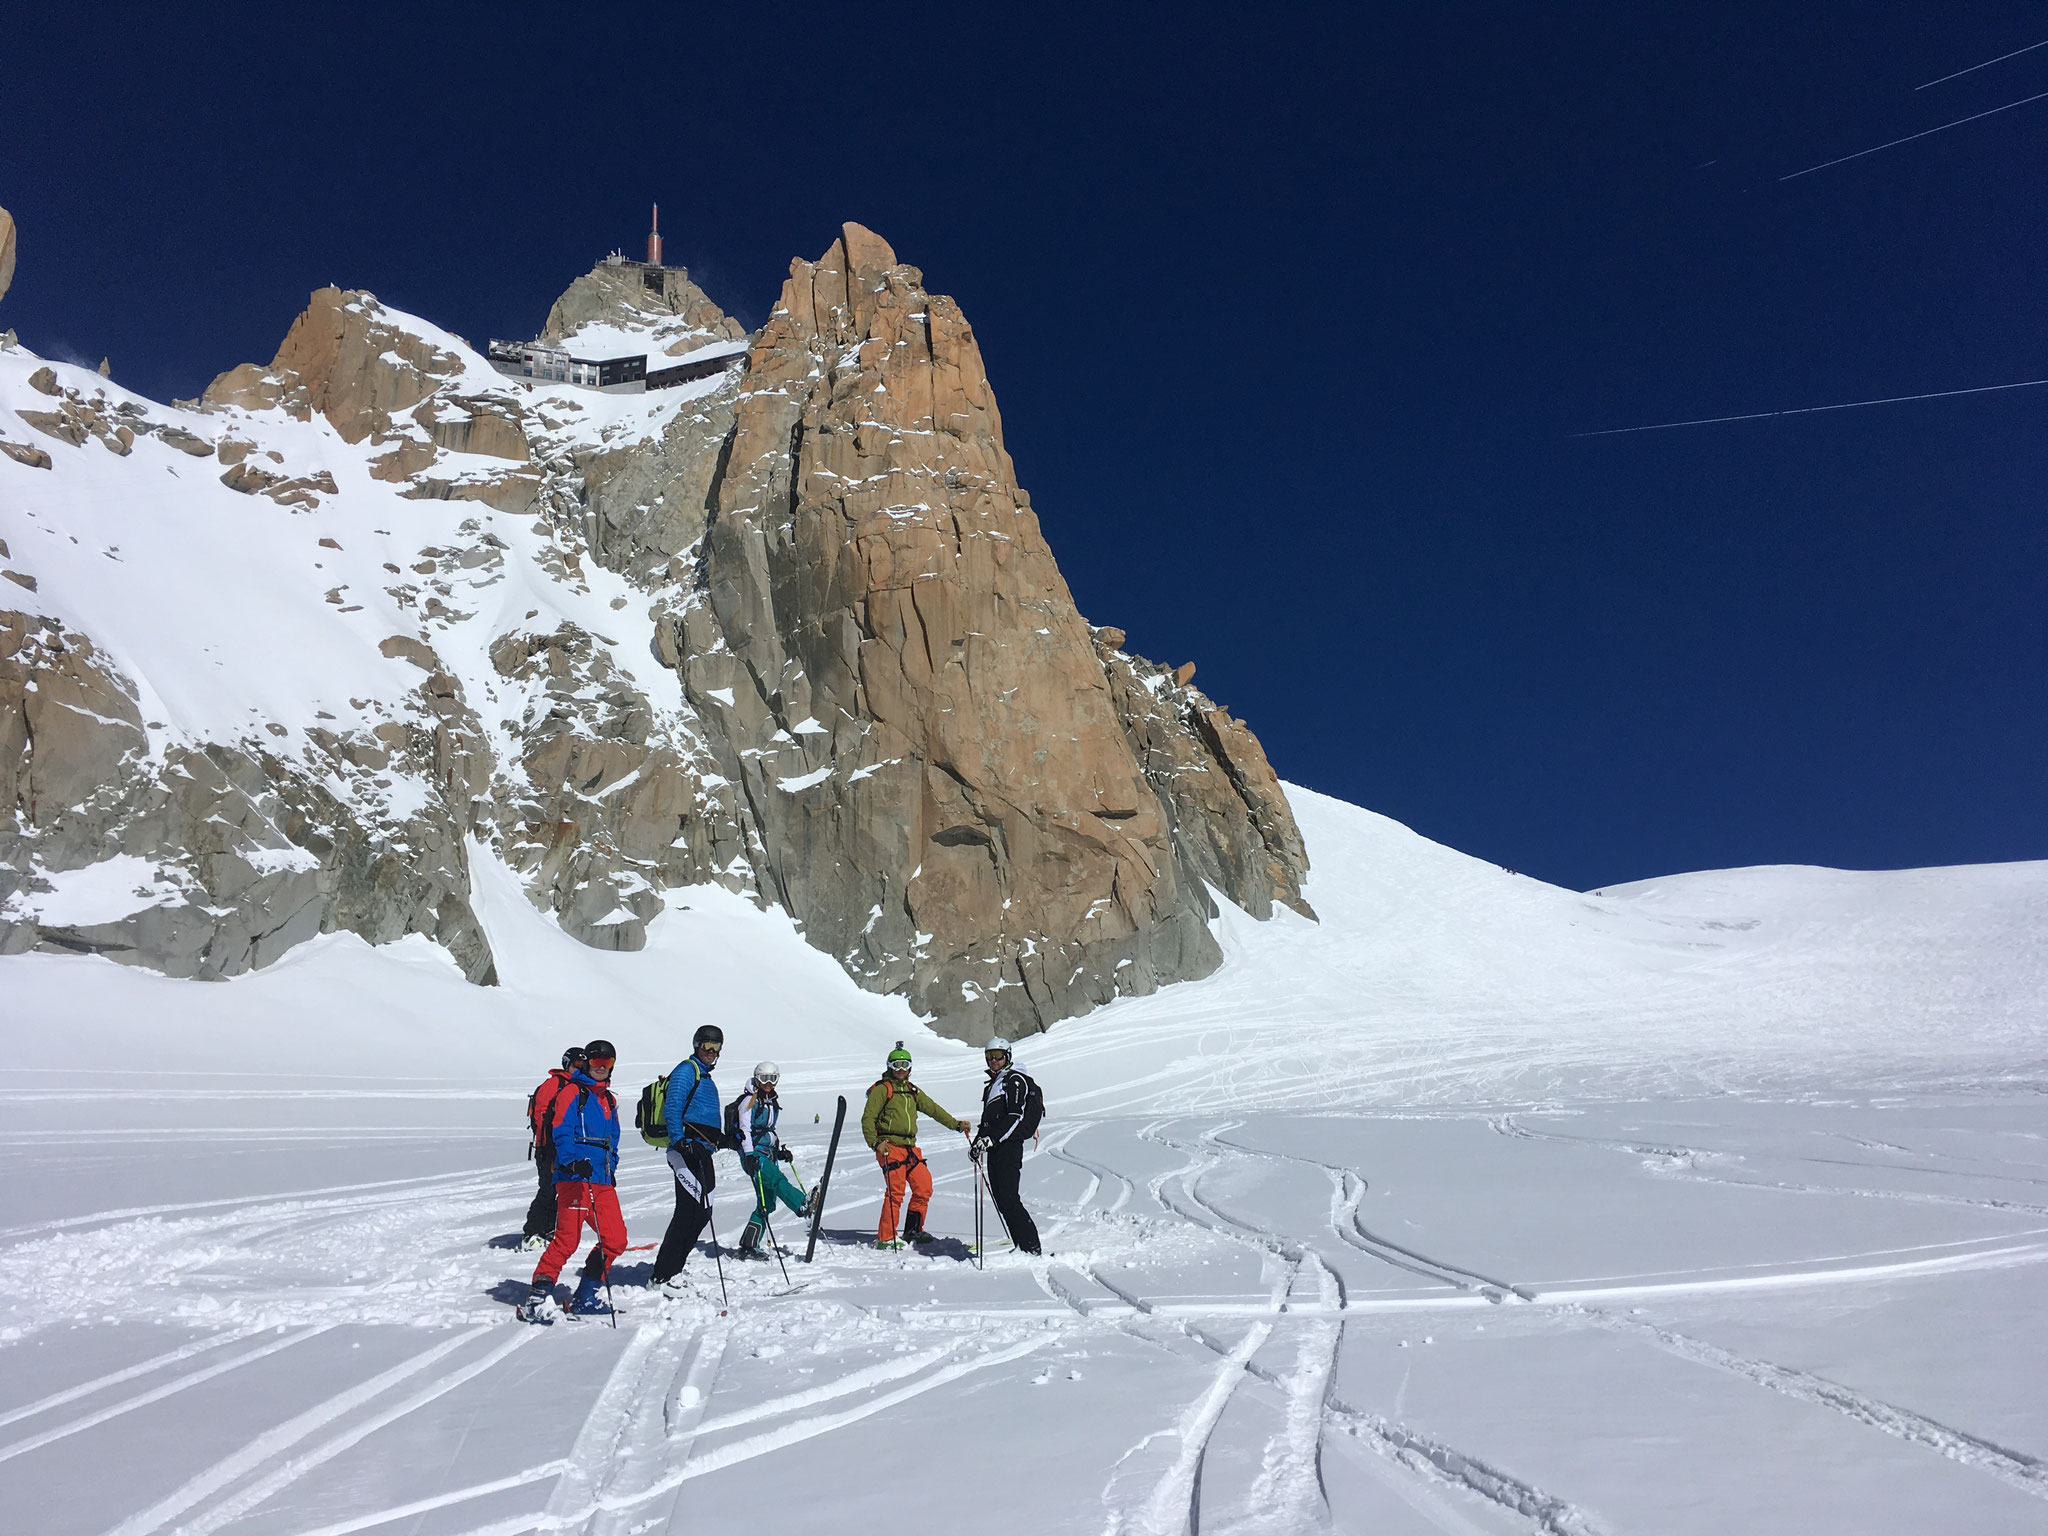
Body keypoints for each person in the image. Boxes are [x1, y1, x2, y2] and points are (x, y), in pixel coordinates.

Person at [517, 1039, 625, 1322]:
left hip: (601, 1180)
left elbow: (613, 1138)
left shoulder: (609, 1100)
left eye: (608, 1063)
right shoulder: (572, 1093)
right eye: (596, 1062)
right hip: (573, 1178)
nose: (601, 1068)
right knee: (567, 1239)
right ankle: (537, 1295)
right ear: (586, 1063)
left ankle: (586, 1295)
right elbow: (561, 1131)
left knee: (615, 1240)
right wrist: (572, 1161)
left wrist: (611, 1164)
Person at [861, 1041, 968, 1249]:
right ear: (889, 1067)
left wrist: (955, 1124)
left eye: (905, 1064)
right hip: (889, 1146)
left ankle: (913, 1230)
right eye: (896, 1065)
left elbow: (933, 1109)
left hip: (910, 1148)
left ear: (910, 1067)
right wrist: (875, 1143)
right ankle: (886, 1237)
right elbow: (868, 1118)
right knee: (896, 1192)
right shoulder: (883, 1090)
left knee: (924, 1187)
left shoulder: (912, 1091)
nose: (901, 1069)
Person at [649, 1024, 725, 1294]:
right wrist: (680, 1141)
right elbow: (673, 1105)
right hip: (685, 1151)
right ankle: (662, 1275)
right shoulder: (687, 1070)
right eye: (706, 1046)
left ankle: (674, 1269)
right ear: (696, 1045)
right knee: (687, 1212)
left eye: (716, 1047)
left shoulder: (706, 1077)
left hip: (702, 1150)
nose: (710, 1052)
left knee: (703, 1212)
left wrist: (724, 1140)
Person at [970, 1035, 1043, 1256]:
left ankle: (1032, 1248)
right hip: (995, 1147)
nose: (993, 1061)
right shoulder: (995, 1083)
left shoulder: (1015, 1080)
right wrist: (978, 1143)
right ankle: (1022, 1247)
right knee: (1002, 1200)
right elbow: (988, 1122)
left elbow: (1015, 1115)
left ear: (1007, 1056)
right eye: (989, 1057)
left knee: (1010, 1198)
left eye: (998, 1056)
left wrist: (993, 1139)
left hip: (1009, 1146)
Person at [732, 1061, 809, 1259]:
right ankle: (801, 1204)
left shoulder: (770, 1100)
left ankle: (748, 1245)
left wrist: (779, 1152)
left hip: (767, 1153)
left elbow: (768, 1131)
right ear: (756, 1078)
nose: (768, 1083)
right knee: (777, 1180)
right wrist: (749, 1156)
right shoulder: (749, 1101)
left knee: (767, 1203)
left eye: (773, 1079)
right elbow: (744, 1130)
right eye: (764, 1078)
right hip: (754, 1155)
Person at [520, 1046, 587, 1250]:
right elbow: (543, 1117)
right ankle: (532, 1232)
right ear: (567, 1064)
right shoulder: (555, 1084)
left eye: (584, 1065)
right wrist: (550, 1146)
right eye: (577, 1065)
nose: (581, 1069)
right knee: (548, 1190)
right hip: (548, 1148)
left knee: (561, 1190)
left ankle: (549, 1229)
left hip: (564, 1147)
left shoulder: (575, 1086)